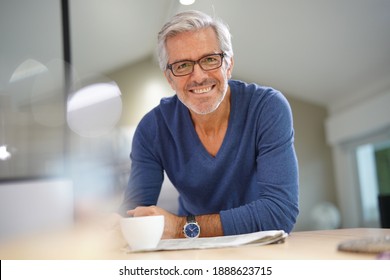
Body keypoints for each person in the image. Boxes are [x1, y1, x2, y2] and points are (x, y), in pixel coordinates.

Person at [118, 10, 299, 239]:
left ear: (229, 65)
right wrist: (114, 223)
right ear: (169, 78)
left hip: (261, 243)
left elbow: (279, 213)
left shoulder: (267, 108)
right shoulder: (152, 129)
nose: (199, 76)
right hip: (191, 251)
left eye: (210, 59)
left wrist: (181, 227)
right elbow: (135, 213)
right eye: (183, 65)